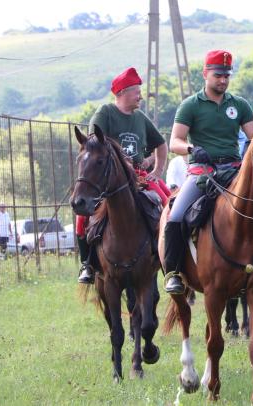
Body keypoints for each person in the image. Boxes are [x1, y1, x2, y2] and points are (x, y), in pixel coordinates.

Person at [163, 49, 253, 294]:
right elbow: (175, 141)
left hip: (234, 170)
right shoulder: (190, 106)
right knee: (175, 216)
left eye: (227, 75)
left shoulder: (239, 105)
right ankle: (174, 273)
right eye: (218, 75)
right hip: (201, 172)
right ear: (205, 74)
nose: (223, 80)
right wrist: (192, 148)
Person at [77, 67, 170, 284]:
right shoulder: (105, 113)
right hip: (110, 179)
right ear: (122, 93)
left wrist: (156, 170)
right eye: (136, 91)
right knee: (82, 216)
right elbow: (93, 144)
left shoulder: (140, 118)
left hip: (139, 176)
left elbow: (161, 145)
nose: (140, 95)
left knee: (168, 205)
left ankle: (170, 264)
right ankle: (87, 264)